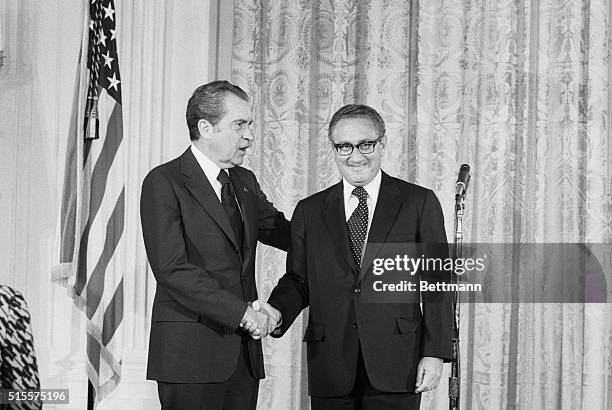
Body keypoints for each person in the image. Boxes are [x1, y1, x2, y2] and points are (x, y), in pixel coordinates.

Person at [267, 104, 454, 409]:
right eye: (344, 146)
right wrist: (276, 312)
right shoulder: (310, 211)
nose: (355, 156)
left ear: (382, 144)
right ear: (333, 148)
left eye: (365, 144)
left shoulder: (418, 203)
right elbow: (299, 280)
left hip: (397, 360)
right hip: (330, 363)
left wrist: (434, 352)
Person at [140, 80, 289, 410]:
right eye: (240, 125)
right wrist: (242, 313)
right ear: (205, 127)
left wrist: (340, 226)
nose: (249, 136)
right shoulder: (164, 182)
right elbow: (172, 270)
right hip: (189, 356)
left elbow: (284, 233)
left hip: (242, 359)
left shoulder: (244, 181)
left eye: (250, 125)